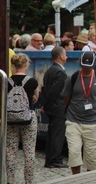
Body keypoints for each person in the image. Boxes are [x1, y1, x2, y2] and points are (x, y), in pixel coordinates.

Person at [62, 51, 96, 174]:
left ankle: (90, 179)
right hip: (74, 121)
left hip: (93, 122)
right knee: (74, 153)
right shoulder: (73, 78)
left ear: (93, 65)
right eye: (83, 66)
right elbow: (66, 99)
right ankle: (76, 179)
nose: (85, 69)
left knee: (93, 159)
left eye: (88, 67)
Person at [6, 53, 39, 184]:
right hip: (28, 120)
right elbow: (35, 98)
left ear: (13, 65)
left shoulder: (6, 81)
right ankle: (28, 181)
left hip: (11, 120)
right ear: (26, 65)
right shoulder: (32, 81)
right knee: (29, 152)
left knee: (10, 152)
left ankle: (10, 180)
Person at [42, 47, 68, 168]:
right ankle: (55, 159)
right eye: (65, 54)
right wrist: (47, 104)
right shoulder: (60, 72)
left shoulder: (50, 70)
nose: (66, 57)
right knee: (57, 135)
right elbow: (54, 91)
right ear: (61, 56)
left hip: (52, 108)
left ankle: (50, 158)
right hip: (58, 108)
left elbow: (45, 89)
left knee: (52, 133)